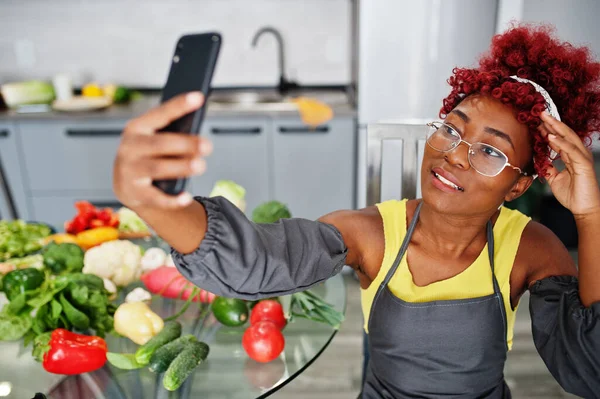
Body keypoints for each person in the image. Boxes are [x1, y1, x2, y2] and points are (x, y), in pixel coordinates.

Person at [113, 24, 600, 398]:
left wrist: (590, 216)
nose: (454, 153)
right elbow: (258, 261)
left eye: (490, 152)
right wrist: (152, 200)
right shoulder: (371, 232)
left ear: (518, 184)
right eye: (452, 128)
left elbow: (588, 368)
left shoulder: (530, 248)